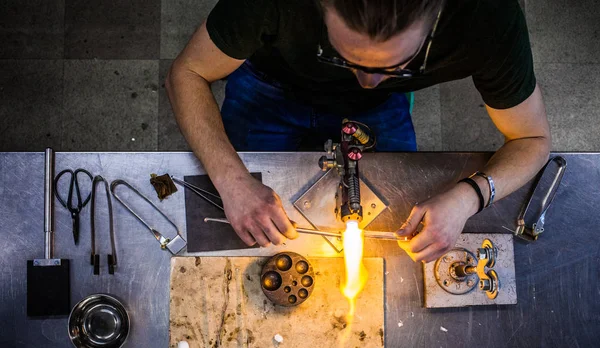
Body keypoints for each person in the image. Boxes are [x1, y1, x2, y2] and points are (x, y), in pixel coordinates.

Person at [166, 0, 551, 262]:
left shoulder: (487, 17)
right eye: (343, 57)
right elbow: (186, 73)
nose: (366, 83)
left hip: (381, 111)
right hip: (270, 86)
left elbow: (532, 141)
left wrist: (469, 197)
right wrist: (232, 183)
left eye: (397, 66)